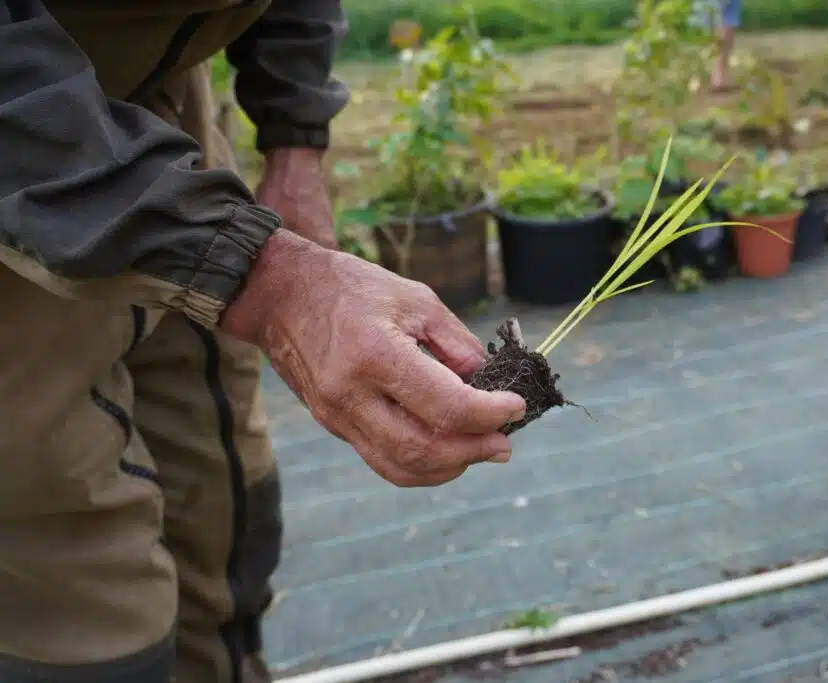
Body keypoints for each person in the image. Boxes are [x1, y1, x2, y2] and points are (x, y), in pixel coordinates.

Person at [0, 1, 527, 682]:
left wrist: (294, 134)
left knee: (221, 481)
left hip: (158, 94)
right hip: (20, 135)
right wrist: (273, 283)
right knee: (74, 574)